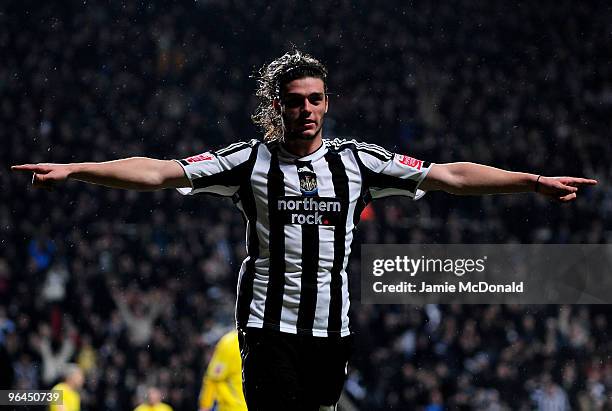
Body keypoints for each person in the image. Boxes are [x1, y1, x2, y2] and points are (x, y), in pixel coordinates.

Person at [13, 50, 597, 410]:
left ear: (327, 104)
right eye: (296, 102)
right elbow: (160, 172)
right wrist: (79, 170)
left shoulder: (358, 162)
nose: (308, 110)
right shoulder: (248, 161)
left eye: (316, 99)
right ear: (280, 106)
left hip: (331, 326)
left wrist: (532, 181)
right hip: (268, 324)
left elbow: (450, 175)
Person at [198, 329, 247, 411]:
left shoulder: (230, 342)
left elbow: (213, 378)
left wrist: (204, 406)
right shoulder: (231, 342)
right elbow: (213, 379)